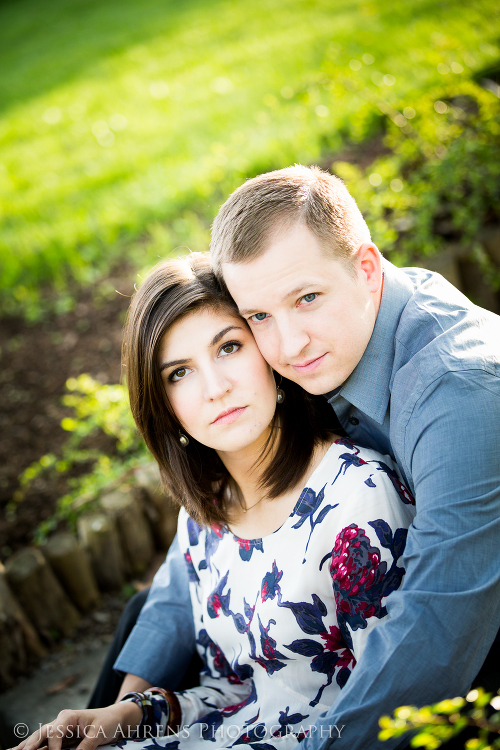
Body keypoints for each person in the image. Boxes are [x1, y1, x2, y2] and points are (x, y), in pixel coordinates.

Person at [106, 165, 500, 750]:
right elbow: (187, 571)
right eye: (259, 317)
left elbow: (437, 624)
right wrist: (125, 712)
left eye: (307, 299)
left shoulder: (461, 392)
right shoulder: (326, 345)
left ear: (366, 269)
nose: (289, 346)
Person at [12, 253, 415, 750]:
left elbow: (388, 709)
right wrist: (134, 712)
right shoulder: (207, 515)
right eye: (178, 373)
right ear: (162, 405)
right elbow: (237, 693)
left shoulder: (358, 499)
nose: (215, 388)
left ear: (266, 349)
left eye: (228, 348)